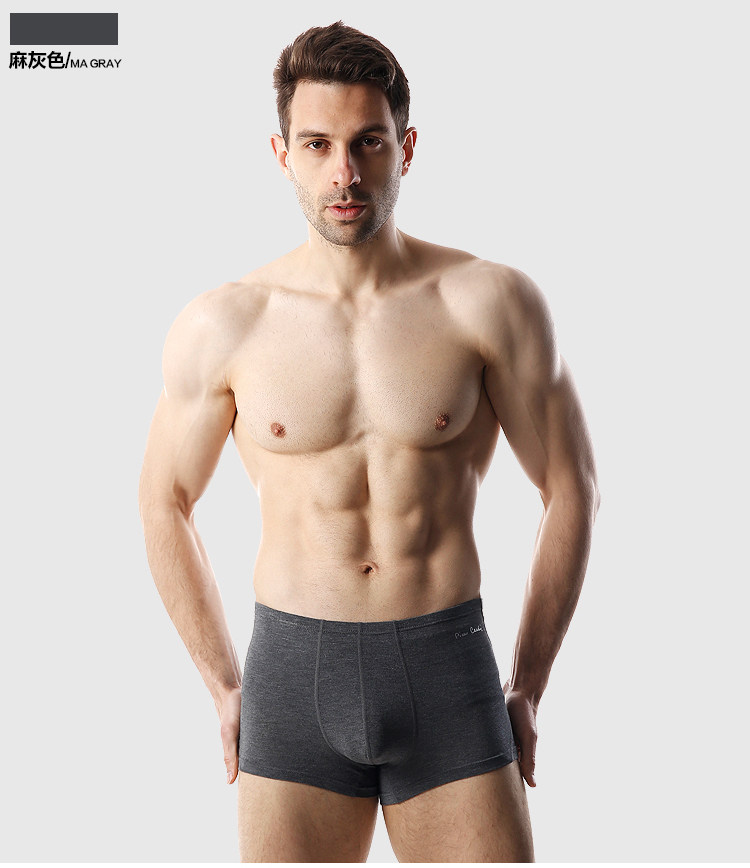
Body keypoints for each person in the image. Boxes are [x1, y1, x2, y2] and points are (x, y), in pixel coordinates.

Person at [138, 20, 600, 863]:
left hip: (447, 671)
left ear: (406, 148)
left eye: (368, 143)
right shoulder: (226, 324)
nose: (344, 173)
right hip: (292, 678)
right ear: (282, 155)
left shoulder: (488, 302)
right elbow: (163, 499)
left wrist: (529, 684)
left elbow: (571, 488)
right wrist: (225, 682)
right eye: (317, 145)